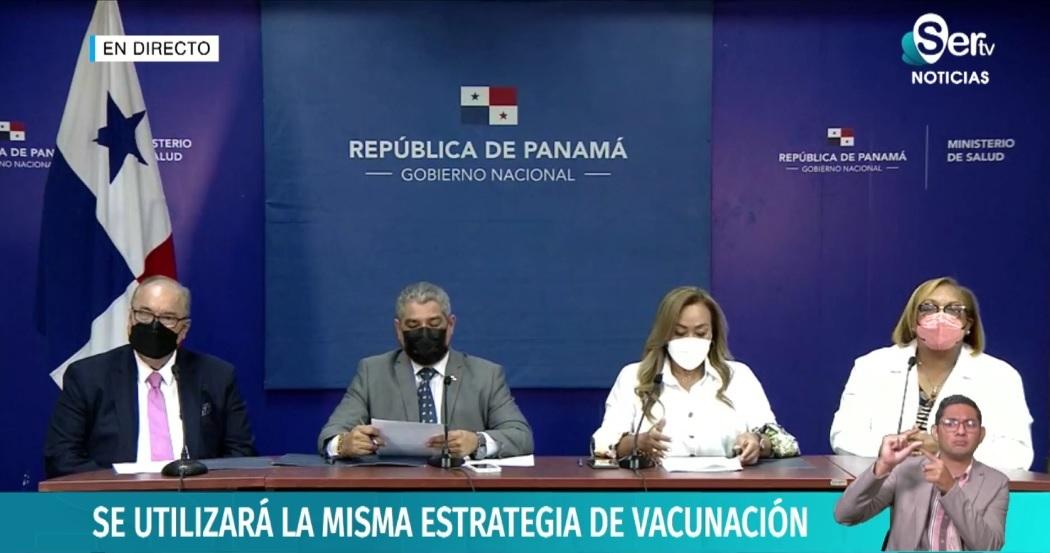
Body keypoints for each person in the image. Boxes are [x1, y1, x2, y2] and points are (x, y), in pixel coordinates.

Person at [44, 276, 255, 478]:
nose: (154, 325)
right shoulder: (88, 377)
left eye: (167, 318)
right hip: (116, 499)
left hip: (194, 499)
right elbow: (61, 457)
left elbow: (240, 456)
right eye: (144, 314)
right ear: (130, 319)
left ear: (184, 329)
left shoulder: (217, 377)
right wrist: (118, 489)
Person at [830, 277, 1033, 472]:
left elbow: (1018, 455)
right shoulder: (872, 366)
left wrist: (944, 449)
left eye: (954, 310)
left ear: (968, 324)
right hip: (885, 487)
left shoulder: (1000, 376)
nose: (940, 317)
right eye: (928, 308)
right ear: (913, 321)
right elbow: (843, 436)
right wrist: (901, 446)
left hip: (964, 492)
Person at [318, 281, 533, 459]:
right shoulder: (372, 372)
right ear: (398, 329)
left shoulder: (486, 375)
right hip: (394, 489)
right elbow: (329, 436)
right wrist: (344, 444)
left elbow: (521, 437)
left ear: (450, 325)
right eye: (413, 326)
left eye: (434, 323)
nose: (424, 333)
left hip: (462, 489)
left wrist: (477, 442)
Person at [591, 286, 798, 465]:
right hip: (653, 492)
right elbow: (601, 444)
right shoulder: (633, 377)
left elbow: (782, 441)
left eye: (700, 333)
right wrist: (638, 442)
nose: (690, 340)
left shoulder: (739, 377)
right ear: (664, 334)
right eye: (679, 333)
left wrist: (758, 443)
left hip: (728, 492)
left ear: (713, 334)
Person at [835, 395, 1008, 551]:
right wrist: (882, 466)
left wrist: (951, 489)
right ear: (935, 432)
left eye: (970, 424)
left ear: (981, 434)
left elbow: (988, 546)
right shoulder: (906, 470)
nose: (961, 431)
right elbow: (845, 515)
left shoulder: (996, 483)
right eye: (950, 423)